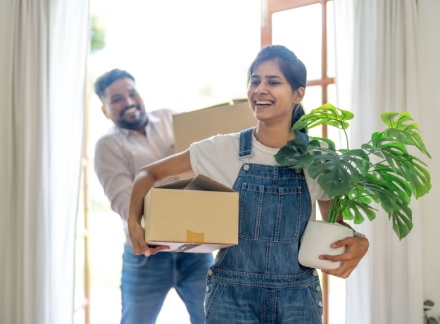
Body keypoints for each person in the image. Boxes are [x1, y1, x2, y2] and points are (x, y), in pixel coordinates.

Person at [128, 45, 369, 323]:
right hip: (231, 298)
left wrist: (360, 241)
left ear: (298, 94)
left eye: (273, 81)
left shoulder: (319, 160)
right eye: (255, 81)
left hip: (297, 300)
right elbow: (148, 174)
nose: (260, 89)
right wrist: (133, 221)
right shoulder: (223, 149)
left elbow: (336, 232)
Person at [93, 69, 214, 324]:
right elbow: (125, 202)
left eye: (131, 93)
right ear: (104, 110)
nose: (128, 102)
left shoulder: (172, 119)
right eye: (116, 99)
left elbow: (204, 165)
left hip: (195, 247)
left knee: (211, 318)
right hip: (146, 254)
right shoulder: (108, 146)